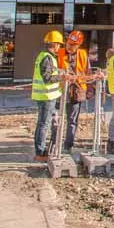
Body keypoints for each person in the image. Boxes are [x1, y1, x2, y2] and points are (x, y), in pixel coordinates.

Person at [32, 30, 64, 162]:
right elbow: (47, 78)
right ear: (54, 44)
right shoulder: (47, 57)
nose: (60, 48)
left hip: (47, 96)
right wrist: (61, 77)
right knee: (44, 124)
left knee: (44, 123)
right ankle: (40, 151)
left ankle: (42, 149)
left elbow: (50, 73)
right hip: (46, 96)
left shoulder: (46, 56)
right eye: (59, 45)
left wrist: (60, 73)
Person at [56, 30, 90, 153]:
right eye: (68, 44)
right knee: (56, 118)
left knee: (72, 120)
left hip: (77, 91)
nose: (69, 47)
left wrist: (89, 90)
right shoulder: (59, 53)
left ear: (79, 45)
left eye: (72, 45)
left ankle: (68, 146)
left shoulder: (83, 54)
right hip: (59, 91)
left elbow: (88, 73)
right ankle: (55, 143)